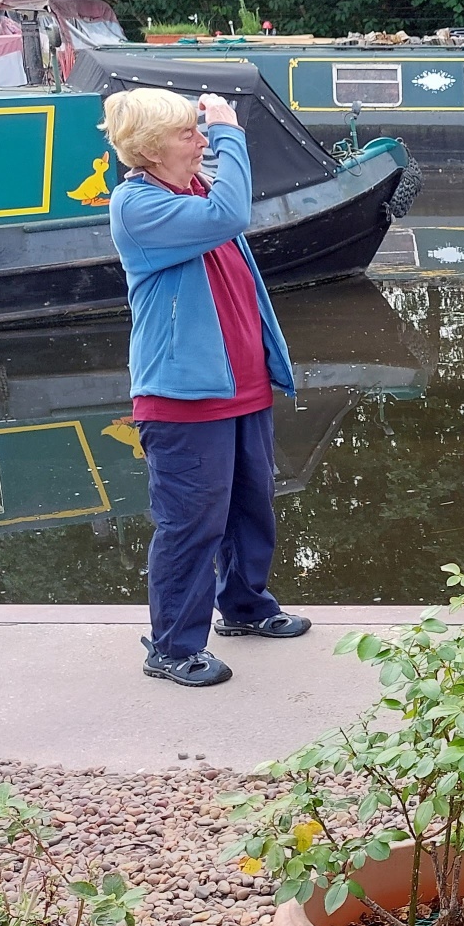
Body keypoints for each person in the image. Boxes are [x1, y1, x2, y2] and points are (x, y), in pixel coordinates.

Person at [104, 87, 311, 688]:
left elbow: (227, 204)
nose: (201, 143)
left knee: (250, 507)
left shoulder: (194, 189)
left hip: (242, 388)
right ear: (150, 150)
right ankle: (172, 648)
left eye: (201, 133)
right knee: (191, 524)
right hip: (184, 400)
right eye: (187, 134)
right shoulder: (138, 206)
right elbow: (232, 215)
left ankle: (245, 607)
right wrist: (229, 131)